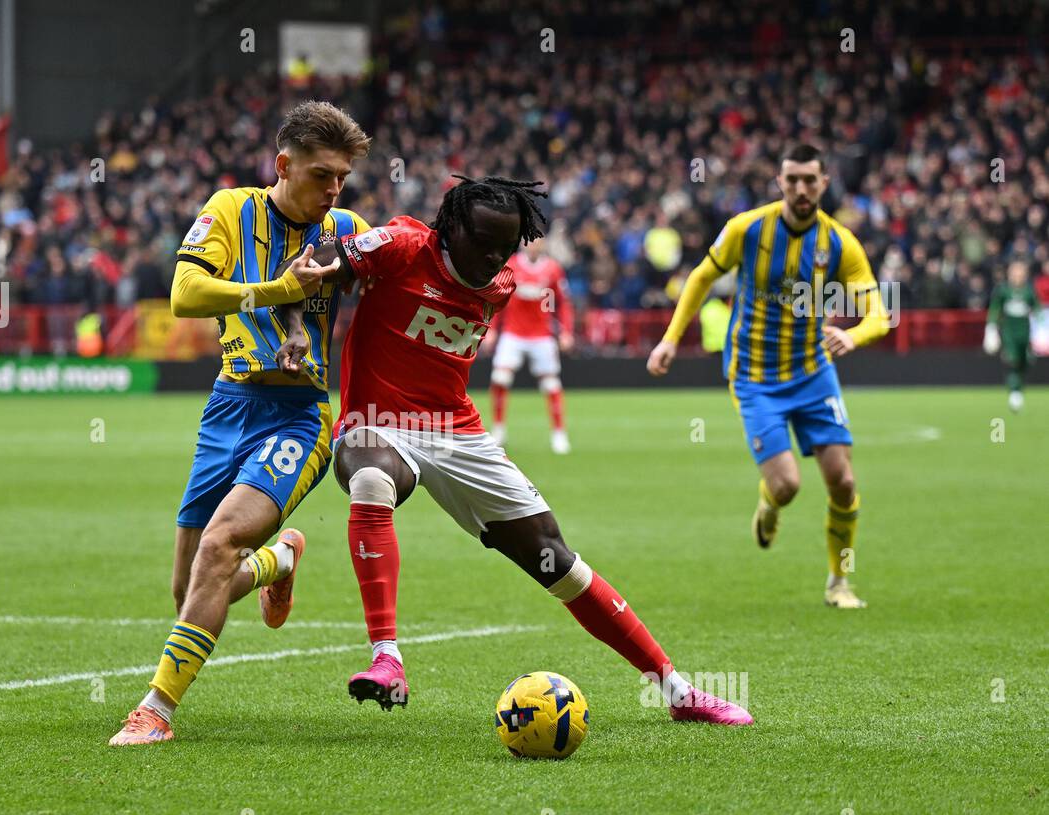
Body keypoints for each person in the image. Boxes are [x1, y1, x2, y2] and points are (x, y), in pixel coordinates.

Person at [281, 175, 751, 725]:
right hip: (378, 423)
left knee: (559, 561)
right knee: (371, 480)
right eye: (482, 241)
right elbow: (316, 262)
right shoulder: (404, 244)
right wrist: (298, 328)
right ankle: (387, 658)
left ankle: (676, 691)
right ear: (450, 228)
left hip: (457, 431)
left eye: (506, 246)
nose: (494, 256)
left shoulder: (501, 283)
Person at [110, 101, 373, 746]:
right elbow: (184, 295)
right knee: (188, 591)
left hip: (299, 417)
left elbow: (398, 279)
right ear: (282, 166)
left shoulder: (345, 230)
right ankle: (279, 563)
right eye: (320, 174)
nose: (333, 189)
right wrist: (277, 291)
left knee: (218, 546)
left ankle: (155, 711)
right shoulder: (230, 210)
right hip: (227, 407)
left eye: (341, 176)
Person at [647, 145, 890, 609]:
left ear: (823, 183)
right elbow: (699, 277)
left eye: (810, 180)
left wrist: (855, 337)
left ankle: (839, 583)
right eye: (792, 179)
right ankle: (769, 502)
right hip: (756, 375)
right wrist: (671, 338)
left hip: (813, 371)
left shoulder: (839, 243)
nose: (801, 188)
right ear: (780, 182)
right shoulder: (747, 229)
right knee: (787, 486)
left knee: (841, 480)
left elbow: (879, 312)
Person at [484, 237, 575, 453]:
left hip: (541, 335)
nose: (533, 245)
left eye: (537, 242)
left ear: (543, 244)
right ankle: (498, 430)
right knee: (500, 378)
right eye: (530, 241)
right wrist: (493, 329)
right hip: (513, 333)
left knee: (551, 385)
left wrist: (565, 331)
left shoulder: (552, 269)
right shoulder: (511, 266)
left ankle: (559, 434)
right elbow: (498, 298)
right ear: (524, 244)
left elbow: (561, 303)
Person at [983, 260, 1037, 412]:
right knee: (1012, 360)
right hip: (1009, 333)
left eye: (1020, 273)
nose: (1018, 276)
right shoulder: (1003, 291)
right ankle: (1014, 392)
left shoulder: (1029, 291)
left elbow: (1037, 310)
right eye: (1015, 272)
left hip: (1025, 333)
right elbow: (994, 309)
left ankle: (1018, 389)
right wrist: (991, 328)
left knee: (1024, 361)